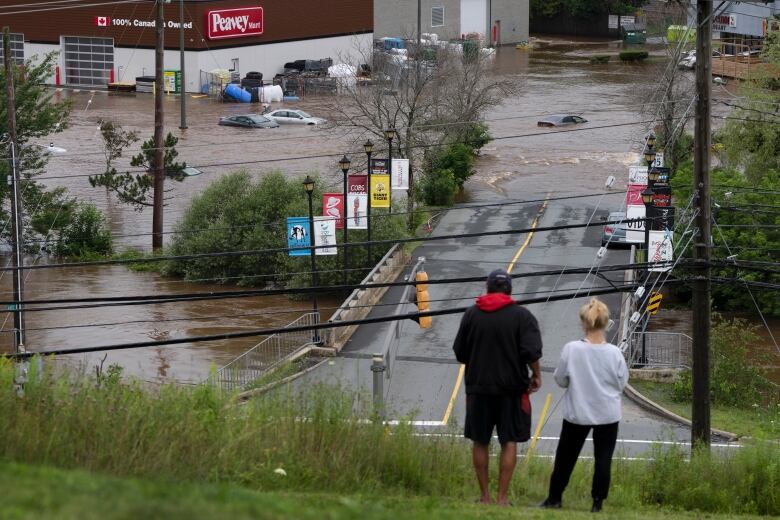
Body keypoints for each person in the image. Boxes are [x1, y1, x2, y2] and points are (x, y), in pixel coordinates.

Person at [453, 268, 543, 506]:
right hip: (512, 390)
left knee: (480, 441)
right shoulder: (522, 317)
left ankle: (484, 497)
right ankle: (502, 498)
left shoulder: (472, 315)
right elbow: (531, 352)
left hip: (479, 388)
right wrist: (536, 374)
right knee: (508, 441)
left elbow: (460, 353)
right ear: (510, 290)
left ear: (488, 288)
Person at [540, 298, 628, 513]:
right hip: (607, 413)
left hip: (577, 412)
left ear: (584, 323)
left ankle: (555, 497)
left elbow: (561, 379)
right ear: (606, 323)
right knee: (603, 458)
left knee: (566, 457)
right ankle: (597, 502)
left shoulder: (572, 349)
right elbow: (621, 383)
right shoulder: (615, 353)